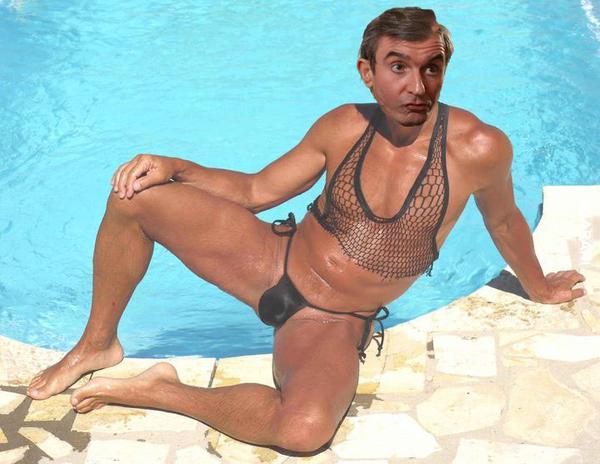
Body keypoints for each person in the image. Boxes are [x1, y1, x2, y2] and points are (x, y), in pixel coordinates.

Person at [26, 7, 585, 453]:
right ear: (367, 72)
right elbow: (256, 191)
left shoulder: (478, 148)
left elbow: (504, 220)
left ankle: (164, 392)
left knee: (302, 431)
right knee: (134, 197)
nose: (417, 85)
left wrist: (538, 287)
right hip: (272, 261)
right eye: (398, 67)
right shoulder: (343, 126)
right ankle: (97, 344)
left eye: (431, 68)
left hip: (332, 320)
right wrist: (174, 166)